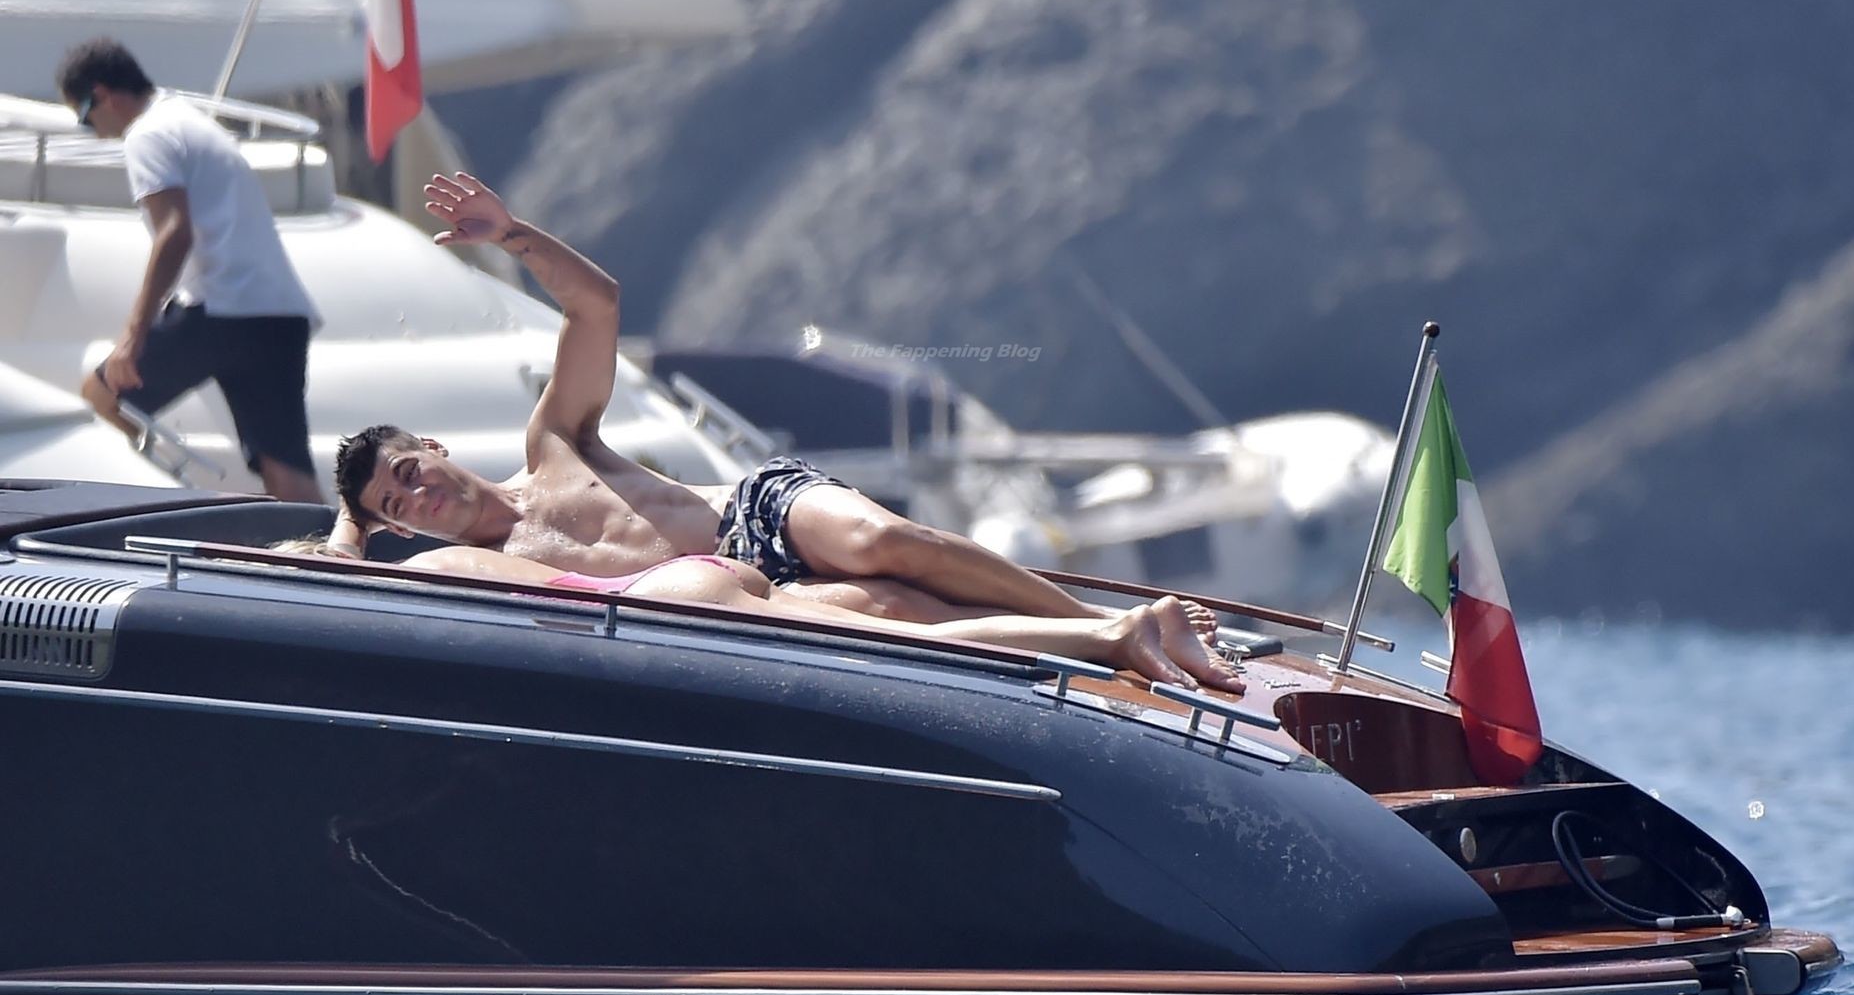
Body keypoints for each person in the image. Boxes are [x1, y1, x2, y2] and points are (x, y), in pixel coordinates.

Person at [329, 171, 1223, 650]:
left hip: (755, 512)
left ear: (433, 447)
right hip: (747, 592)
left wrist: (514, 237)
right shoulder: (490, 573)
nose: (419, 498)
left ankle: (1087, 616)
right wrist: (350, 516)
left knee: (882, 541)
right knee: (895, 614)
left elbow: (596, 305)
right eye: (396, 508)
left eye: (409, 472)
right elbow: (336, 576)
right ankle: (1117, 641)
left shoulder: (553, 445)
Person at [272, 536, 1240, 692]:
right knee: (908, 626)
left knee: (919, 645)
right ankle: (1107, 629)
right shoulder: (434, 553)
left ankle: (1114, 633)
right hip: (680, 584)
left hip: (668, 612)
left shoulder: (419, 574)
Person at [58, 37, 324, 503]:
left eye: (85, 117)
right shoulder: (187, 119)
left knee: (101, 395)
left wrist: (132, 337)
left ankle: (152, 503)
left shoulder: (147, 134)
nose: (95, 133)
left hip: (221, 310)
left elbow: (174, 233)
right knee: (286, 472)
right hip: (278, 314)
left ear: (101, 94)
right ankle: (330, 548)